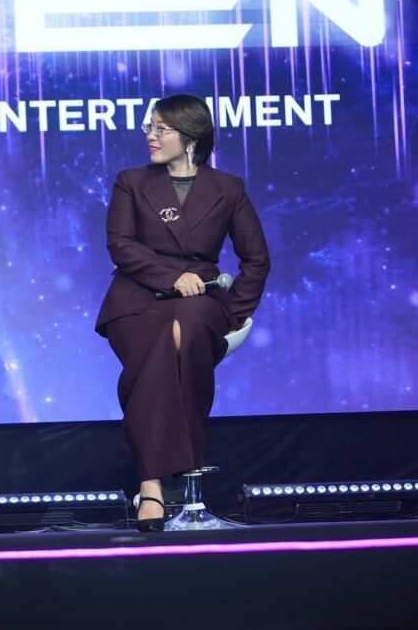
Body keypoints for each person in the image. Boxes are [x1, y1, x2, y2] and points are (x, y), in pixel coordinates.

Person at [95, 94, 269, 532]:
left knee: (184, 330)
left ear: (191, 137)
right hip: (136, 297)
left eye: (161, 129)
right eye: (149, 128)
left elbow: (256, 260)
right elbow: (121, 245)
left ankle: (150, 483)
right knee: (165, 341)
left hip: (202, 301)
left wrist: (233, 317)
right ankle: (171, 480)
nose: (150, 136)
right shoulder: (131, 181)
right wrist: (171, 277)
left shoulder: (228, 188)